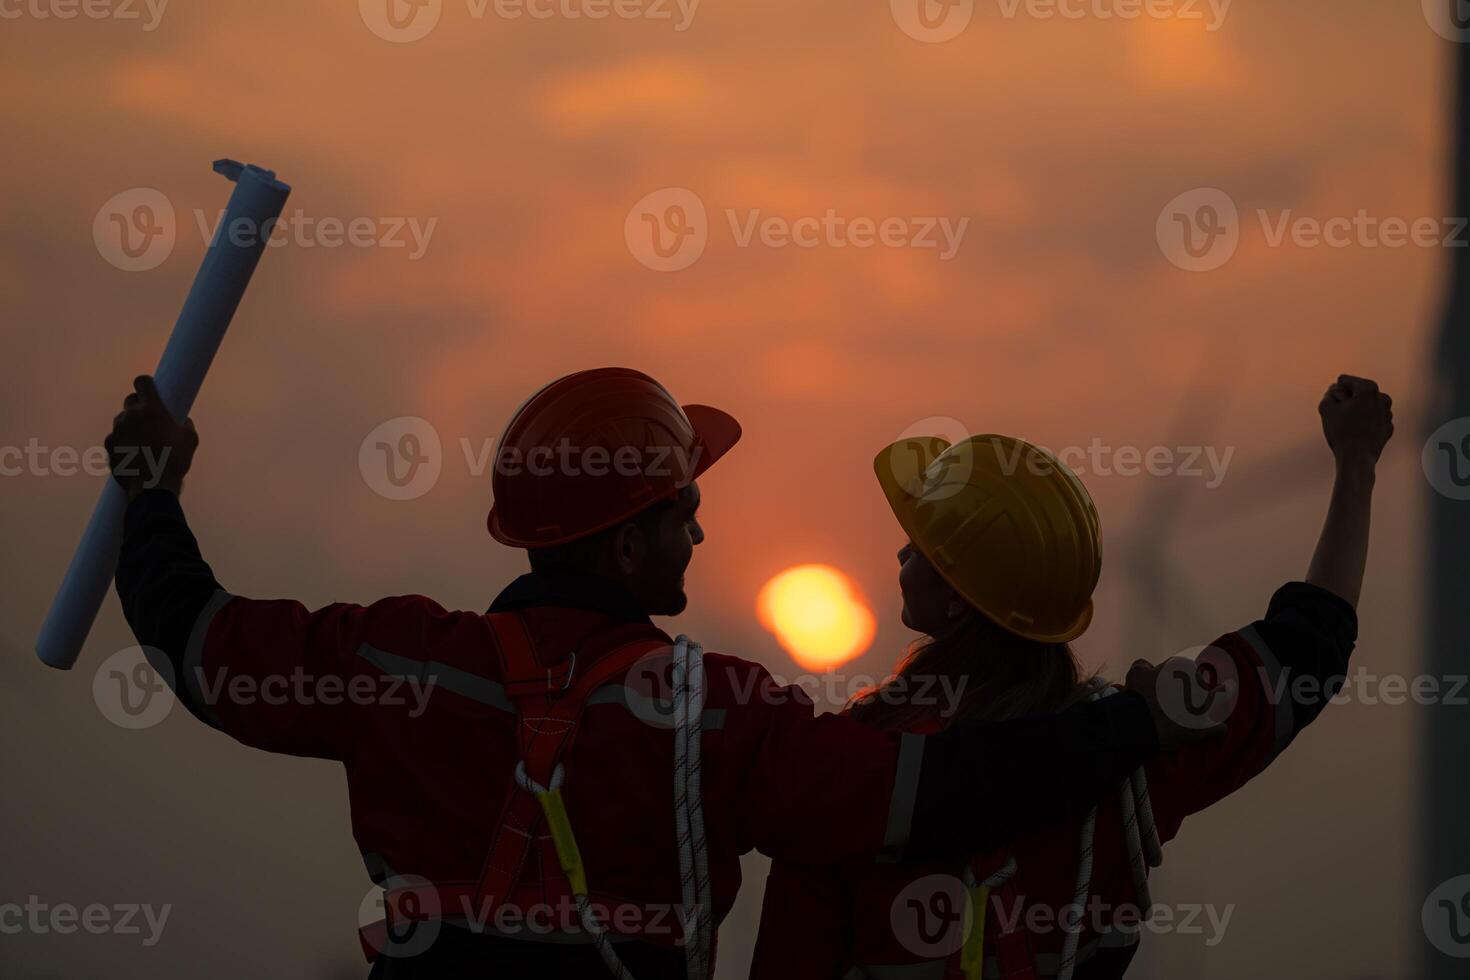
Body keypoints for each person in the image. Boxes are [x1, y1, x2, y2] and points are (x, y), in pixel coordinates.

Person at [106, 365, 1217, 979]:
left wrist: (152, 490)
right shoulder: (713, 714)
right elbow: (929, 795)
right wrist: (1129, 727)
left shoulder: (395, 659)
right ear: (628, 545)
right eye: (687, 508)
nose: (700, 531)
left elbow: (196, 642)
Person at [749, 375, 1393, 980]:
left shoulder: (857, 775)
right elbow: (1309, 646)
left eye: (919, 546)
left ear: (956, 601)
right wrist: (1356, 466)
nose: (899, 552)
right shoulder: (1144, 751)